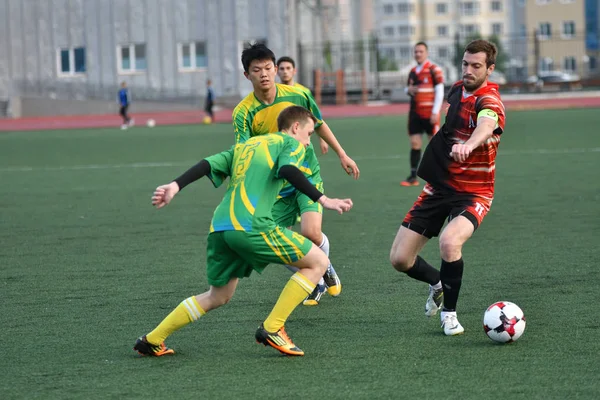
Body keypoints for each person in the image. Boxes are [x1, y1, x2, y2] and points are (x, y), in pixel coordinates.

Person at [133, 106, 353, 357]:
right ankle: (273, 327)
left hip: (221, 228)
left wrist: (175, 185)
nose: (308, 141)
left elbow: (207, 164)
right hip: (251, 225)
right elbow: (287, 171)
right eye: (309, 133)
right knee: (319, 262)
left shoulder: (246, 146)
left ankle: (153, 339)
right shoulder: (289, 143)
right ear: (295, 128)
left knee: (218, 295)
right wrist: (323, 200)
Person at [389, 40, 506, 336]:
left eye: (476, 66)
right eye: (466, 63)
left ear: (490, 69)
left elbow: (486, 124)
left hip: (474, 192)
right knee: (400, 260)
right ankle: (438, 283)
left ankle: (450, 315)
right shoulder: (456, 90)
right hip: (440, 186)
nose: (468, 70)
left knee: (450, 242)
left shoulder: (490, 100)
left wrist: (469, 144)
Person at [233, 44, 360, 306]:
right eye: (257, 70)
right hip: (275, 185)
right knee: (269, 244)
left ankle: (321, 271)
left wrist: (342, 154)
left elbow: (320, 124)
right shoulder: (243, 112)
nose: (264, 74)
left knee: (312, 233)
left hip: (306, 176)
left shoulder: (298, 95)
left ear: (276, 69)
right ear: (247, 75)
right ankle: (319, 275)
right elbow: (244, 153)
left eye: (268, 68)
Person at [401, 42, 445, 186]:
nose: (418, 54)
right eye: (416, 51)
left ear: (426, 53)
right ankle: (413, 176)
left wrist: (435, 112)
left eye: (421, 51)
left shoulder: (434, 70)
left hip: (429, 113)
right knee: (415, 143)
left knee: (434, 145)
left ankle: (439, 176)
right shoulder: (413, 72)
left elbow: (440, 92)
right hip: (415, 113)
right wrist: (408, 90)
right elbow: (407, 89)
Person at [276, 56, 329, 155]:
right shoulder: (274, 92)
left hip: (301, 139)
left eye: (288, 68)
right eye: (282, 69)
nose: (285, 72)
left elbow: (315, 117)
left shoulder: (304, 92)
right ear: (277, 71)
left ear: (294, 71)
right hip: (280, 140)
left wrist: (322, 139)